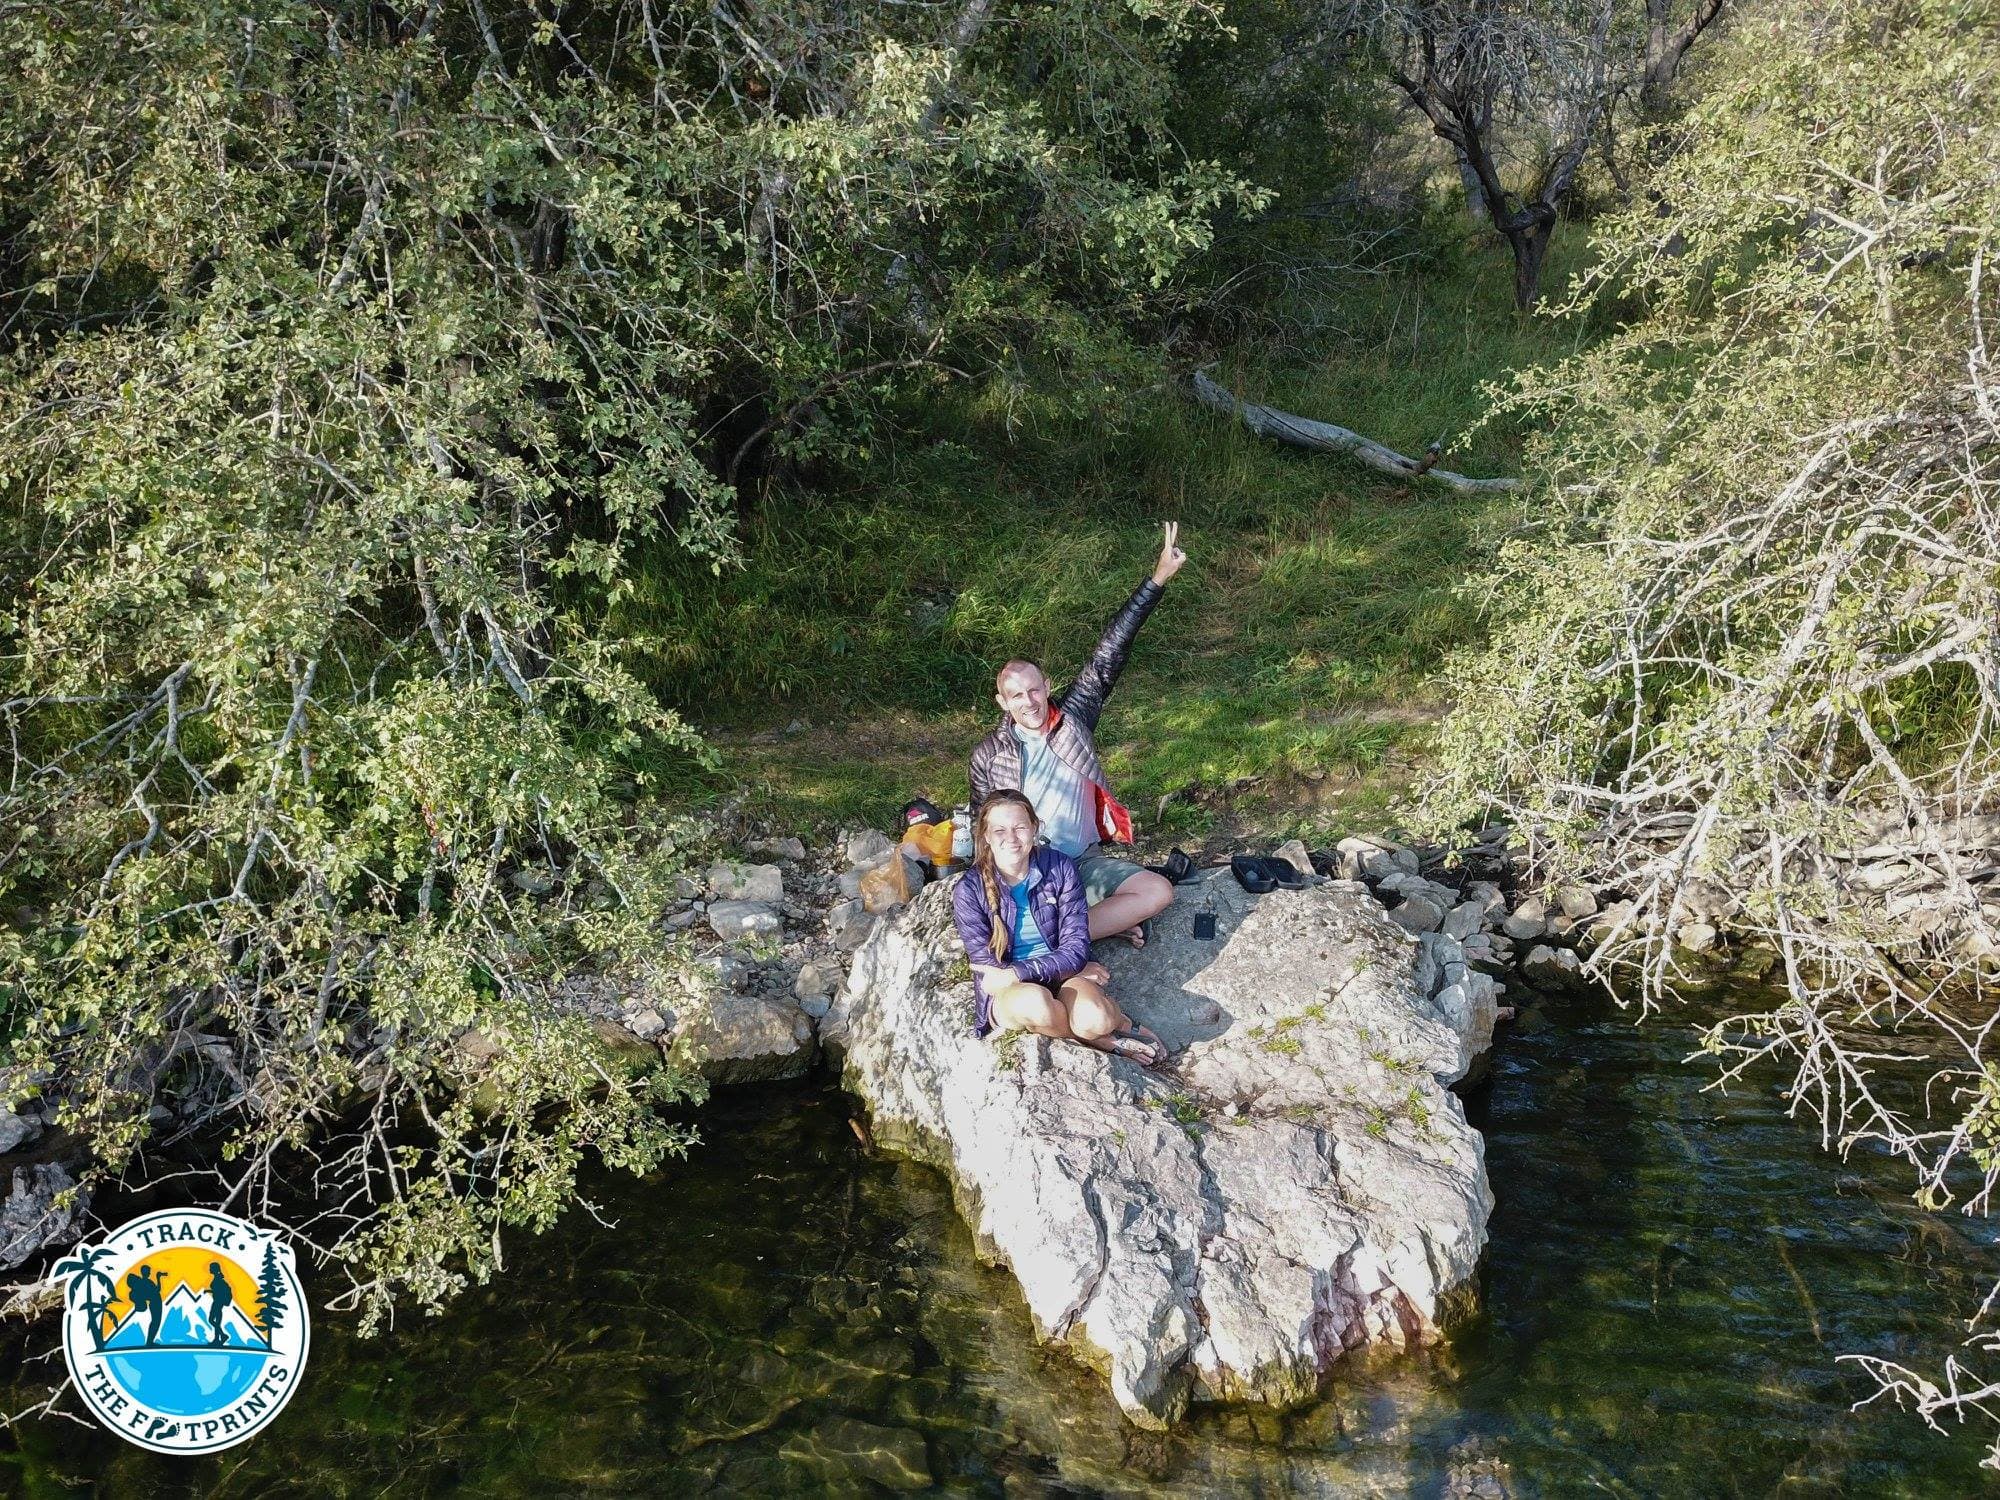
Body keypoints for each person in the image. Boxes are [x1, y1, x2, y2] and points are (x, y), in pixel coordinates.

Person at [968, 522, 1186, 947]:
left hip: (1083, 863)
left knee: (1157, 891)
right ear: (1002, 702)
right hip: (1028, 871)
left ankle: (1068, 931)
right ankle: (1090, 926)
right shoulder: (988, 756)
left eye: (1034, 690)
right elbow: (984, 831)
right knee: (1015, 919)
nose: (1029, 702)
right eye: (1017, 695)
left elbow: (1110, 652)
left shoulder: (1073, 718)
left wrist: (1158, 577)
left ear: (1047, 686)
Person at [950, 790, 1166, 1065]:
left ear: (1034, 828)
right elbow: (993, 973)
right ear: (986, 836)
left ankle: (1112, 1024)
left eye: (1020, 828)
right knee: (1038, 1005)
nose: (1012, 838)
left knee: (1096, 1018)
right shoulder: (969, 890)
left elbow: (1075, 947)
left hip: (1056, 975)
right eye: (1000, 830)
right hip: (1012, 992)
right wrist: (1049, 969)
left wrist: (1030, 970)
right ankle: (1102, 1041)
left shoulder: (1059, 867)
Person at [206, 1261, 233, 1346]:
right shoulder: (217, 1278)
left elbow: (219, 1291)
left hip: (218, 1302)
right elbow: (217, 1290)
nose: (209, 1269)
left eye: (211, 1268)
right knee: (215, 1321)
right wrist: (209, 1291)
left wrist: (211, 1291)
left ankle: (220, 1337)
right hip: (217, 1302)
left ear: (214, 1269)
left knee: (212, 1320)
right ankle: (220, 1337)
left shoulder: (218, 1279)